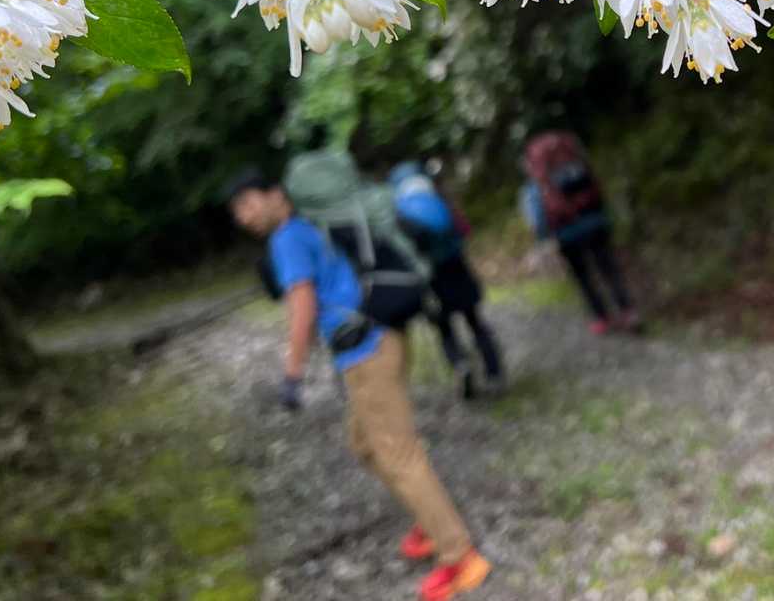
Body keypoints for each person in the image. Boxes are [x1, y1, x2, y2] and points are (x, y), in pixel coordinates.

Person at [226, 167, 491, 601]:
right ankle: (430, 522)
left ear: (275, 195)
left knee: (398, 453)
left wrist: (292, 373)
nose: (244, 216)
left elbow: (302, 303)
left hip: (368, 351)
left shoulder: (288, 238)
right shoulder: (311, 226)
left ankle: (460, 556)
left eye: (248, 203)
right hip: (378, 341)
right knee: (365, 444)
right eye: (237, 210)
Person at [388, 161, 504, 400]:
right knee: (475, 321)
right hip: (456, 268)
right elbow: (464, 230)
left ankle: (461, 365)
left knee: (445, 329)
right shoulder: (438, 200)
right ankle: (494, 372)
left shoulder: (399, 209)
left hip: (430, 277)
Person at [520, 131, 641, 334]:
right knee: (609, 269)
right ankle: (628, 311)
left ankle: (602, 318)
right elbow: (598, 190)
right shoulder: (575, 162)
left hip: (566, 233)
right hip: (595, 222)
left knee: (583, 278)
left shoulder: (536, 182)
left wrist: (543, 240)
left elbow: (538, 216)